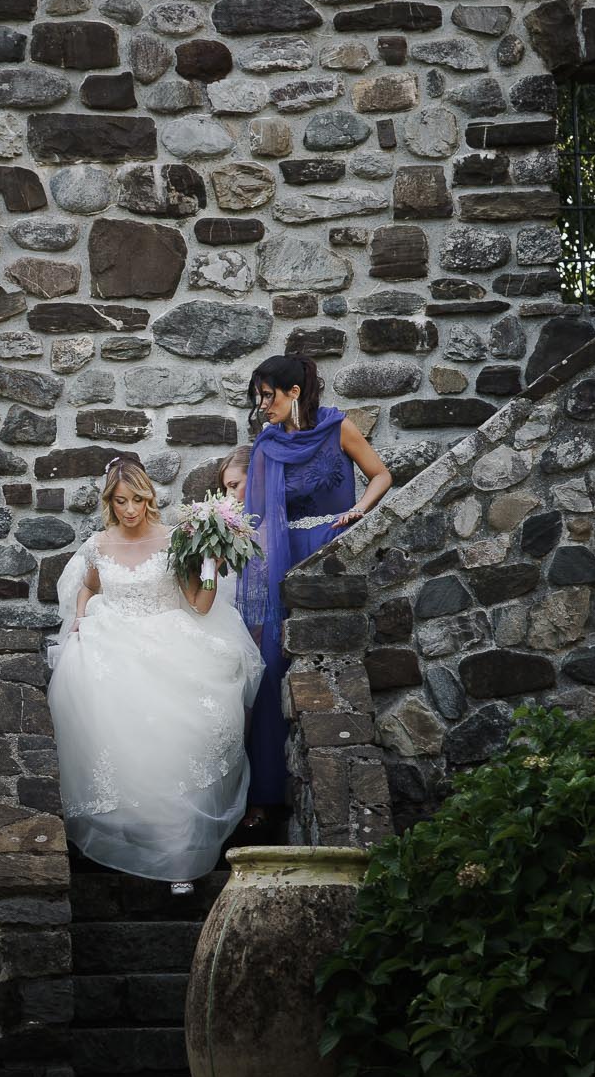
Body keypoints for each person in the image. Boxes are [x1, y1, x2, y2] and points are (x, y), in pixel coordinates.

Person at [47, 454, 265, 895]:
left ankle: (179, 856)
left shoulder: (175, 539)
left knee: (181, 742)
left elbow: (201, 605)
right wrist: (80, 617)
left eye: (138, 500)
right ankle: (133, 842)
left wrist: (209, 563)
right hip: (115, 644)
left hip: (173, 643)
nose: (130, 510)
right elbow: (88, 586)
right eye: (122, 501)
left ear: (149, 497)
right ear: (111, 501)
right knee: (119, 741)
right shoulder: (98, 544)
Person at [236, 356, 393, 834]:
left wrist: (359, 512)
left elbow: (381, 475)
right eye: (259, 397)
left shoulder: (337, 428)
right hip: (282, 559)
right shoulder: (266, 445)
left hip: (327, 546)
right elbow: (256, 520)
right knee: (269, 666)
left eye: (270, 396)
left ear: (295, 393)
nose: (263, 406)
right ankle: (264, 795)